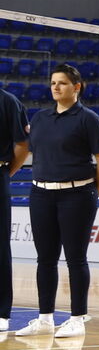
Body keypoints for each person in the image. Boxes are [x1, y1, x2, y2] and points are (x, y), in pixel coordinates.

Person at [14, 65, 99, 338]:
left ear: (76, 87)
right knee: (44, 259)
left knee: (76, 259)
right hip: (41, 194)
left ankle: (77, 318)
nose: (56, 87)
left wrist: (92, 193)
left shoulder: (88, 119)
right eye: (53, 83)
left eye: (63, 83)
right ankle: (45, 318)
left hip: (77, 195)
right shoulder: (40, 118)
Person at [0, 85, 29, 332]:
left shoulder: (9, 102)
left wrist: (5, 174)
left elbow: (22, 145)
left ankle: (1, 311)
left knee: (0, 245)